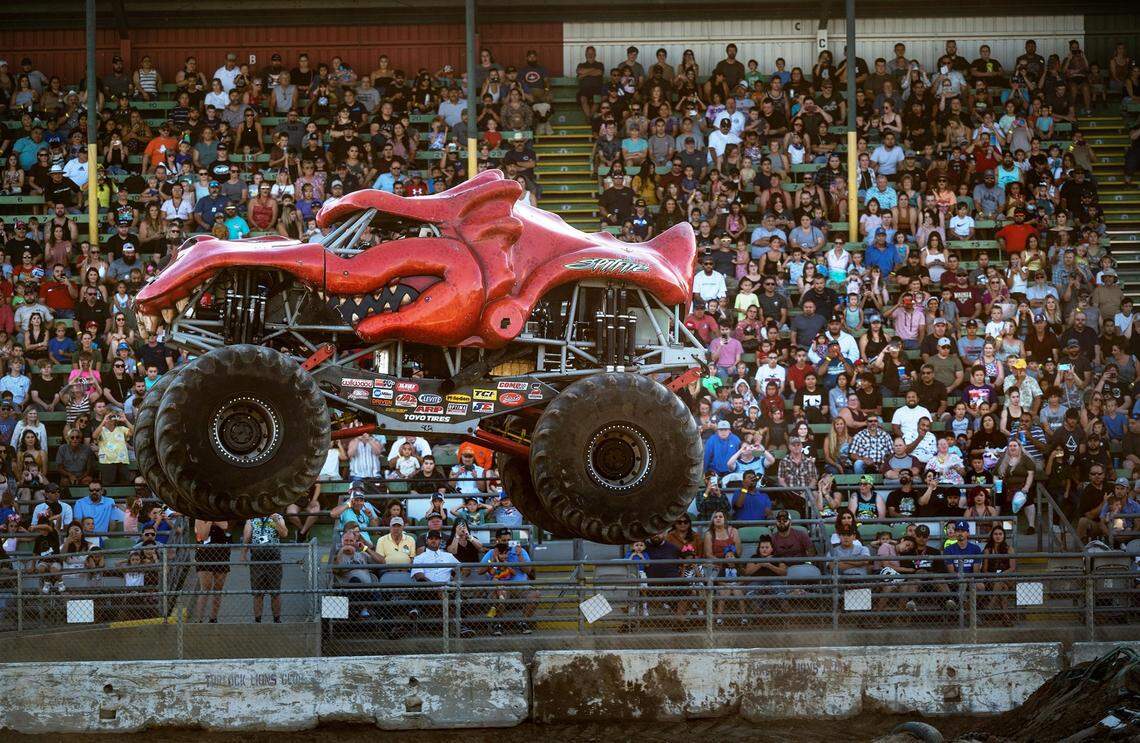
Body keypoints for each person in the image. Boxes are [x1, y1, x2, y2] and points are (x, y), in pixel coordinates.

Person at [479, 528, 537, 635]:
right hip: (500, 586)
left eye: (508, 540)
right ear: (497, 540)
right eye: (503, 540)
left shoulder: (520, 550)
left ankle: (523, 622)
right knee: (500, 593)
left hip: (520, 586)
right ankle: (498, 623)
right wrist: (493, 559)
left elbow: (528, 570)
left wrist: (519, 556)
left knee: (534, 594)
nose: (506, 543)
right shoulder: (492, 552)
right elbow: (480, 571)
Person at [242, 512, 287, 624]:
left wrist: (276, 521)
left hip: (274, 559)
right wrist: (243, 554)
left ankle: (277, 619)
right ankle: (258, 620)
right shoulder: (251, 518)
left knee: (275, 592)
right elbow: (247, 536)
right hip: (257, 559)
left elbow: (284, 533)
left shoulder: (278, 517)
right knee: (258, 593)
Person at [194, 519, 231, 623]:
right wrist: (210, 521)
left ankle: (213, 618)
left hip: (221, 554)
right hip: (205, 555)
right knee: (206, 587)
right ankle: (199, 619)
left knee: (218, 588)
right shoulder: (199, 517)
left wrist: (212, 520)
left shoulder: (219, 514)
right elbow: (203, 536)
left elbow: (225, 525)